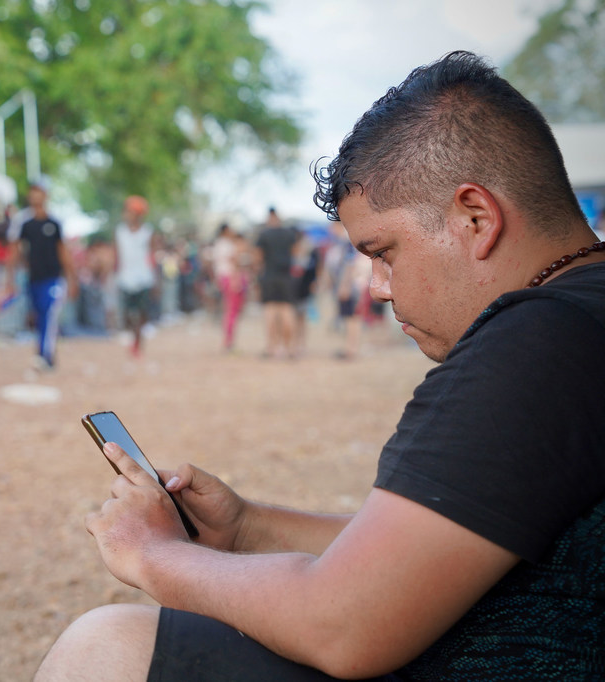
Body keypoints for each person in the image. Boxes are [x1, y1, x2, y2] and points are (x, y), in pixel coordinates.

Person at [35, 51, 605, 681]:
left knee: (106, 646)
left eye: (383, 252)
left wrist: (153, 555)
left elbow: (343, 623)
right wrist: (248, 527)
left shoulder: (534, 345)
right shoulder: (581, 316)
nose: (378, 288)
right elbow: (420, 552)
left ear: (476, 217)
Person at [5, 183, 77, 370]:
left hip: (53, 277)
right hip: (33, 278)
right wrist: (10, 279)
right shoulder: (22, 221)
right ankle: (44, 353)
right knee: (38, 316)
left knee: (49, 313)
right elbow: (14, 251)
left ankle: (45, 355)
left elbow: (63, 252)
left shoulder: (55, 222)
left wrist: (71, 278)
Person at [113, 195, 158, 357]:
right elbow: (117, 255)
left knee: (141, 312)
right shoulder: (120, 232)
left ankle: (138, 342)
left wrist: (155, 279)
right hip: (125, 277)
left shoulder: (148, 232)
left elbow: (152, 256)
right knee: (127, 313)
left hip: (144, 277)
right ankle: (133, 338)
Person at [255, 206, 301, 359]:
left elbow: (258, 258)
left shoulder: (264, 234)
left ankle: (271, 347)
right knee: (287, 311)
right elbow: (295, 253)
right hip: (285, 276)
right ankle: (290, 348)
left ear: (269, 217)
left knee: (270, 312)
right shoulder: (289, 234)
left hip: (269, 276)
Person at [211, 223, 248, 352]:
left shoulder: (219, 244)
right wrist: (235, 279)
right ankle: (228, 341)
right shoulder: (226, 245)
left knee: (230, 310)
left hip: (225, 278)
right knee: (232, 311)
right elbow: (234, 262)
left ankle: (229, 340)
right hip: (231, 278)